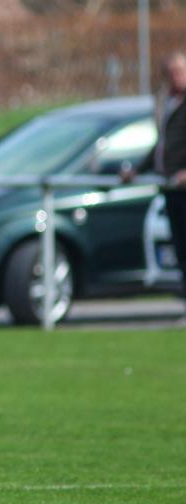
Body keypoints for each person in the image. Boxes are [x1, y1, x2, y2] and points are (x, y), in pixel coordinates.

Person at [124, 52, 186, 311]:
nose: (176, 78)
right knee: (181, 249)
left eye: (180, 72)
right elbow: (161, 145)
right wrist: (137, 170)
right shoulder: (165, 102)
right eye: (171, 73)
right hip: (170, 187)